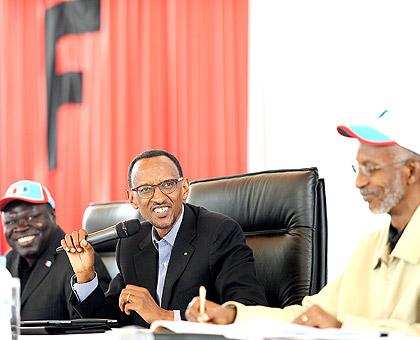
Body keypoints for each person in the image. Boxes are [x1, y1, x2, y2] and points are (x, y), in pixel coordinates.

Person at [186, 109, 420, 336]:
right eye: (358, 168)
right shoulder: (371, 247)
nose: (359, 182)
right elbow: (304, 317)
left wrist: (344, 330)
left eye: (371, 169)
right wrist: (233, 317)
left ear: (411, 171)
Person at [61, 149, 267, 327]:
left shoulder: (219, 232)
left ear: (184, 189)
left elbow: (248, 310)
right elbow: (110, 320)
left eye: (168, 185)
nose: (158, 198)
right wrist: (85, 276)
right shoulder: (131, 243)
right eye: (145, 190)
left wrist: (164, 317)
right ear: (133, 198)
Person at [0, 180, 111, 320]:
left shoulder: (77, 259)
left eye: (31, 217)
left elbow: (94, 324)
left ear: (52, 214)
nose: (21, 227)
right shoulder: (8, 261)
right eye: (11, 222)